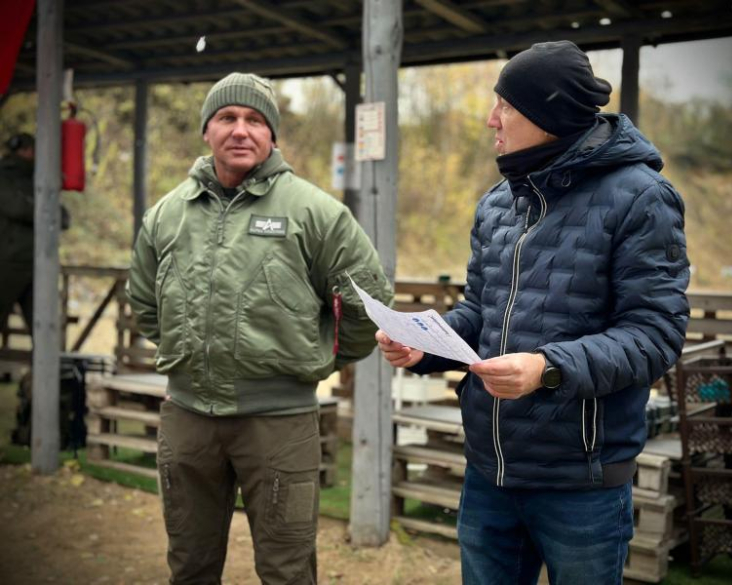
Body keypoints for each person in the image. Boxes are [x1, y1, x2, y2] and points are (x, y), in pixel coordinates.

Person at [377, 41, 689, 585]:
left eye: (505, 106)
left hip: (583, 481)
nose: (489, 120)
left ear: (548, 114)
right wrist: (424, 343)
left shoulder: (642, 198)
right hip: (489, 472)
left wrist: (547, 367)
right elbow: (480, 311)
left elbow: (654, 335)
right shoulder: (498, 201)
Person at [127, 72, 393, 584]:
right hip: (187, 420)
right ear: (207, 130)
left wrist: (314, 361)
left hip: (280, 423)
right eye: (227, 118)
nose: (241, 130)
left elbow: (369, 305)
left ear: (273, 135)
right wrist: (192, 355)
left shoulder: (315, 213)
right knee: (190, 565)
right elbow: (143, 300)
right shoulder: (166, 216)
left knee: (287, 570)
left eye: (255, 120)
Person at [0, 132, 70, 334]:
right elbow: (16, 206)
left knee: (45, 328)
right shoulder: (6, 176)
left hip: (35, 264)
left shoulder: (37, 178)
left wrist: (49, 212)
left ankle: (45, 366)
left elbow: (63, 217)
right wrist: (47, 212)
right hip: (9, 263)